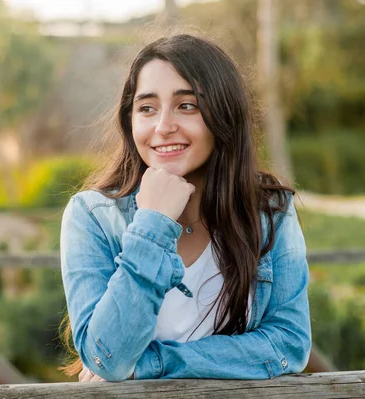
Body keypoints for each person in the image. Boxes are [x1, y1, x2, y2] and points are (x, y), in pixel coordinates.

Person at [59, 33, 311, 382]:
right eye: (147, 108)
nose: (163, 127)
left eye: (187, 105)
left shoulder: (270, 212)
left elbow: (289, 345)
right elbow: (109, 358)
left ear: (224, 114)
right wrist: (154, 223)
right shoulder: (93, 217)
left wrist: (154, 364)